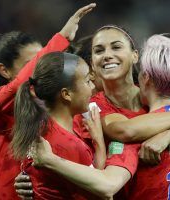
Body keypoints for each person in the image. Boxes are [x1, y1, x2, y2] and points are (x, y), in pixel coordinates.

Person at [15, 26, 170, 199]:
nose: (108, 55)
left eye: (116, 47)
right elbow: (124, 130)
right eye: (99, 50)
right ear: (92, 64)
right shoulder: (92, 105)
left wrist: (169, 136)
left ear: (135, 56)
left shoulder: (167, 93)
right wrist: (34, 177)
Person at [0, 3, 96, 200]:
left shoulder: (51, 106)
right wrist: (61, 38)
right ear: (4, 70)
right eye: (32, 63)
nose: (40, 70)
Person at [11, 51, 106, 200]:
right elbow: (99, 191)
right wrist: (99, 143)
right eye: (87, 81)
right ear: (66, 94)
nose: (93, 86)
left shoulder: (37, 128)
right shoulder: (69, 145)